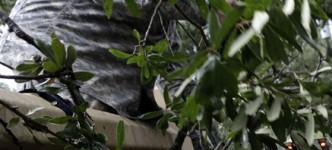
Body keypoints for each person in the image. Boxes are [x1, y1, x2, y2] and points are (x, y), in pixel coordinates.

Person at [0, 0, 202, 117]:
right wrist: (228, 9)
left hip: (84, 79)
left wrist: (196, 114)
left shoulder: (160, 20)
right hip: (60, 70)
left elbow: (171, 65)